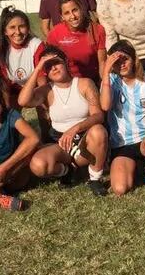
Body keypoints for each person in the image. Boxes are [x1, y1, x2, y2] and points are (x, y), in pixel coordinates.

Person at [19, 47, 109, 196]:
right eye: (48, 66)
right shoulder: (46, 90)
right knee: (38, 165)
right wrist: (37, 69)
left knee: (99, 131)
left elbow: (98, 115)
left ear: (66, 63)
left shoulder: (84, 83)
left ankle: (95, 178)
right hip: (61, 143)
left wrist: (75, 128)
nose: (53, 68)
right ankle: (67, 171)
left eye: (57, 63)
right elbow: (23, 101)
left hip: (86, 139)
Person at [100, 40, 145, 195]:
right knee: (120, 189)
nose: (122, 65)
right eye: (117, 62)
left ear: (133, 59)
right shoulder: (111, 80)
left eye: (125, 59)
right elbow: (105, 106)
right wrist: (106, 72)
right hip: (122, 144)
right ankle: (137, 168)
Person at [45, 0, 107, 82]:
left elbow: (102, 63)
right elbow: (51, 65)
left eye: (75, 10)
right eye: (67, 13)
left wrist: (103, 85)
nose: (73, 16)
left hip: (93, 80)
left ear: (81, 9)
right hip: (67, 81)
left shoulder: (97, 30)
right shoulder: (55, 34)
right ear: (62, 17)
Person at [0, 7, 46, 109]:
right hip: (13, 87)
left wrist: (44, 103)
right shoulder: (0, 47)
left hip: (35, 86)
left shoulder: (36, 44)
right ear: (5, 31)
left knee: (44, 112)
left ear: (28, 27)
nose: (17, 32)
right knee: (11, 115)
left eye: (22, 26)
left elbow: (41, 78)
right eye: (12, 27)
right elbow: (3, 81)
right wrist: (7, 107)